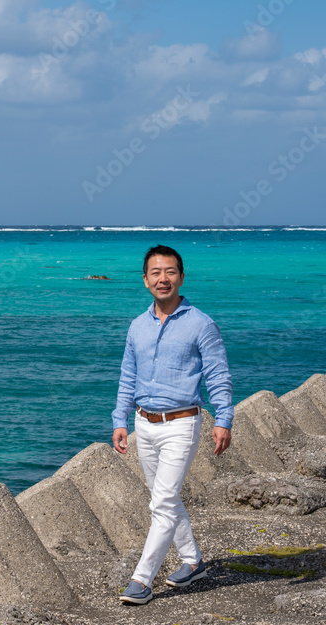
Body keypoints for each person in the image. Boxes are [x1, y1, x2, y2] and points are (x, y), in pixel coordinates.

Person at [111, 245, 233, 605]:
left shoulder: (201, 323)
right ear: (145, 279)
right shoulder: (137, 326)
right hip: (143, 424)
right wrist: (120, 419)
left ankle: (142, 579)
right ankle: (193, 560)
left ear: (181, 277)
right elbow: (127, 377)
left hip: (182, 423)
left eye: (170, 272)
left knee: (161, 501)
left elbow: (218, 375)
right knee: (164, 499)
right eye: (155, 272)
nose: (163, 279)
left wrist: (223, 418)